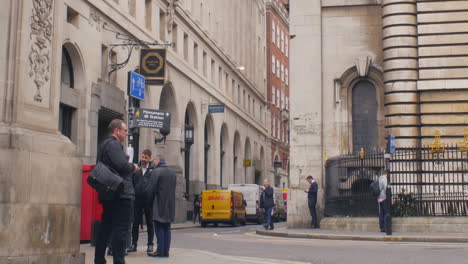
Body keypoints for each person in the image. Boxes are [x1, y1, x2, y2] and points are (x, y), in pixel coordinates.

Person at [94, 119, 140, 264]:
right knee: (121, 229)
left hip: (110, 193)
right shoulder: (113, 144)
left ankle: (99, 259)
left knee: (106, 227)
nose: (126, 133)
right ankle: (118, 261)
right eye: (124, 130)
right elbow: (122, 165)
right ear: (117, 131)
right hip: (121, 194)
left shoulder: (104, 145)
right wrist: (133, 167)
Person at [147, 155, 176, 258]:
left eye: (153, 161)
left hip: (159, 203)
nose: (152, 163)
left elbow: (151, 190)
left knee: (159, 227)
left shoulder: (156, 171)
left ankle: (160, 251)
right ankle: (166, 251)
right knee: (167, 228)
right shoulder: (173, 172)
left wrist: (148, 203)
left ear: (157, 160)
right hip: (170, 204)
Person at [128, 149, 155, 253]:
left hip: (148, 201)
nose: (143, 159)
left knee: (149, 223)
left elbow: (154, 185)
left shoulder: (153, 170)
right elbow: (131, 181)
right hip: (137, 200)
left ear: (149, 159)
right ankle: (134, 244)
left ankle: (150, 244)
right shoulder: (136, 168)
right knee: (135, 223)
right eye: (142, 157)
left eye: (145, 158)